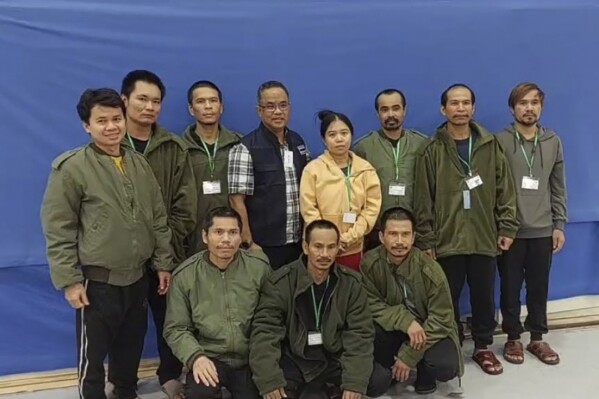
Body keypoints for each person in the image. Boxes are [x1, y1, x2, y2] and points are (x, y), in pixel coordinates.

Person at [41, 88, 173, 399]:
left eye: (117, 119)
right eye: (102, 121)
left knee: (130, 351)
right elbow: (58, 228)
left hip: (138, 279)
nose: (111, 126)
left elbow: (158, 218)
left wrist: (163, 263)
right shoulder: (71, 168)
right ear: (87, 126)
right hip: (98, 284)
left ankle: (125, 392)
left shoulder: (139, 165)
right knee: (93, 359)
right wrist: (70, 281)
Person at [413, 83, 518, 375]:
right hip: (446, 240)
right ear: (443, 109)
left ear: (473, 107)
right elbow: (423, 197)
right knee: (446, 296)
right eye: (454, 103)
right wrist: (426, 238)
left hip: (484, 236)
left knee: (484, 295)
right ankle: (451, 343)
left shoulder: (489, 144)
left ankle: (483, 347)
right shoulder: (431, 150)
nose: (460, 109)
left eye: (465, 103)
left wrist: (507, 226)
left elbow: (505, 189)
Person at [250, 220, 391, 399]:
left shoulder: (351, 284)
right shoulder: (281, 282)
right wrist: (269, 380)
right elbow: (265, 332)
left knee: (379, 379)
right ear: (305, 247)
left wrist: (355, 381)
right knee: (264, 387)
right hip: (295, 359)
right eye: (318, 246)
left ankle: (332, 389)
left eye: (331, 247)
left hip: (333, 358)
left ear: (338, 248)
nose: (324, 254)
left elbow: (360, 334)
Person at [120, 69, 197, 398]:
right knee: (125, 323)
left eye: (156, 101)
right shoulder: (109, 143)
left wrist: (164, 243)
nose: (149, 107)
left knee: (169, 318)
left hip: (166, 254)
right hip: (121, 256)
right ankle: (122, 381)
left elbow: (186, 204)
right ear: (124, 100)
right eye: (142, 99)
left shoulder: (172, 147)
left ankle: (169, 374)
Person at [164, 207, 271, 399]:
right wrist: (195, 357)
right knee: (199, 393)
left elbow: (272, 318)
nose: (226, 240)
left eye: (233, 232)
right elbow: (176, 328)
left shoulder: (259, 268)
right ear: (205, 236)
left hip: (251, 359)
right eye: (218, 232)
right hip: (210, 357)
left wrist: (265, 359)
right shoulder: (185, 275)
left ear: (240, 236)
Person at [496, 82, 567, 366]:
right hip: (510, 231)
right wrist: (501, 226)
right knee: (510, 286)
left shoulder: (552, 141)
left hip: (542, 229)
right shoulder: (499, 141)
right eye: (523, 103)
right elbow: (494, 188)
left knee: (539, 286)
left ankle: (537, 337)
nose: (529, 108)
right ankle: (513, 336)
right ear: (513, 107)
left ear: (541, 107)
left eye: (534, 102)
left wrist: (558, 223)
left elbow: (558, 186)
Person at [360, 207, 463, 395]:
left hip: (428, 330)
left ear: (414, 237)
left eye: (405, 234)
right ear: (382, 237)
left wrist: (409, 356)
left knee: (445, 365)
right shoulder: (370, 263)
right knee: (370, 330)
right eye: (393, 234)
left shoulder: (431, 270)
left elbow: (442, 318)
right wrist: (405, 321)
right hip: (394, 328)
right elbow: (370, 303)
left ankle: (424, 369)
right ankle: (387, 368)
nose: (399, 241)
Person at [228, 81, 310, 269]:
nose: (278, 112)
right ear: (259, 110)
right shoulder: (245, 147)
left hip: (298, 242)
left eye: (283, 105)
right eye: (270, 106)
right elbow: (236, 200)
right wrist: (248, 242)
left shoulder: (298, 142)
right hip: (264, 246)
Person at [300, 110, 381, 271]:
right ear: (324, 140)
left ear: (351, 135)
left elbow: (371, 209)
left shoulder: (365, 169)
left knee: (351, 290)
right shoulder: (313, 170)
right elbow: (309, 210)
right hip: (320, 248)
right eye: (332, 135)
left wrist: (350, 237)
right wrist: (328, 239)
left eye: (344, 133)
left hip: (353, 247)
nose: (339, 139)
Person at [353, 89, 428, 251]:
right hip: (375, 233)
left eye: (396, 108)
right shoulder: (363, 148)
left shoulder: (422, 144)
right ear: (377, 113)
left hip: (413, 232)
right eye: (384, 110)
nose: (390, 114)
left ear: (404, 110)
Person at [182, 80, 242, 256]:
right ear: (191, 109)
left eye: (213, 101)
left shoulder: (239, 144)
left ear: (221, 107)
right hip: (192, 237)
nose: (208, 106)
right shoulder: (179, 148)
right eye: (201, 102)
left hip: (231, 236)